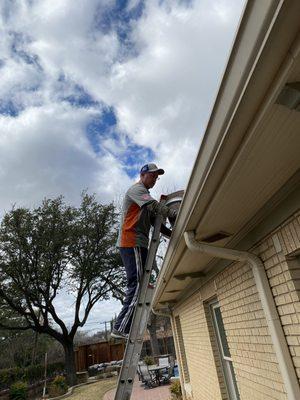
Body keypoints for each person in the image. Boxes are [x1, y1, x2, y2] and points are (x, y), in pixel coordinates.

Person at [111, 163, 178, 339]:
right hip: (131, 241)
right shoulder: (137, 191)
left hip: (138, 243)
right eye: (152, 176)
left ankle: (124, 325)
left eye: (157, 177)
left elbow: (156, 220)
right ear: (143, 175)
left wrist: (172, 234)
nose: (155, 179)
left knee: (140, 283)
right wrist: (175, 214)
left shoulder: (145, 198)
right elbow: (157, 208)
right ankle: (120, 327)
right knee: (137, 284)